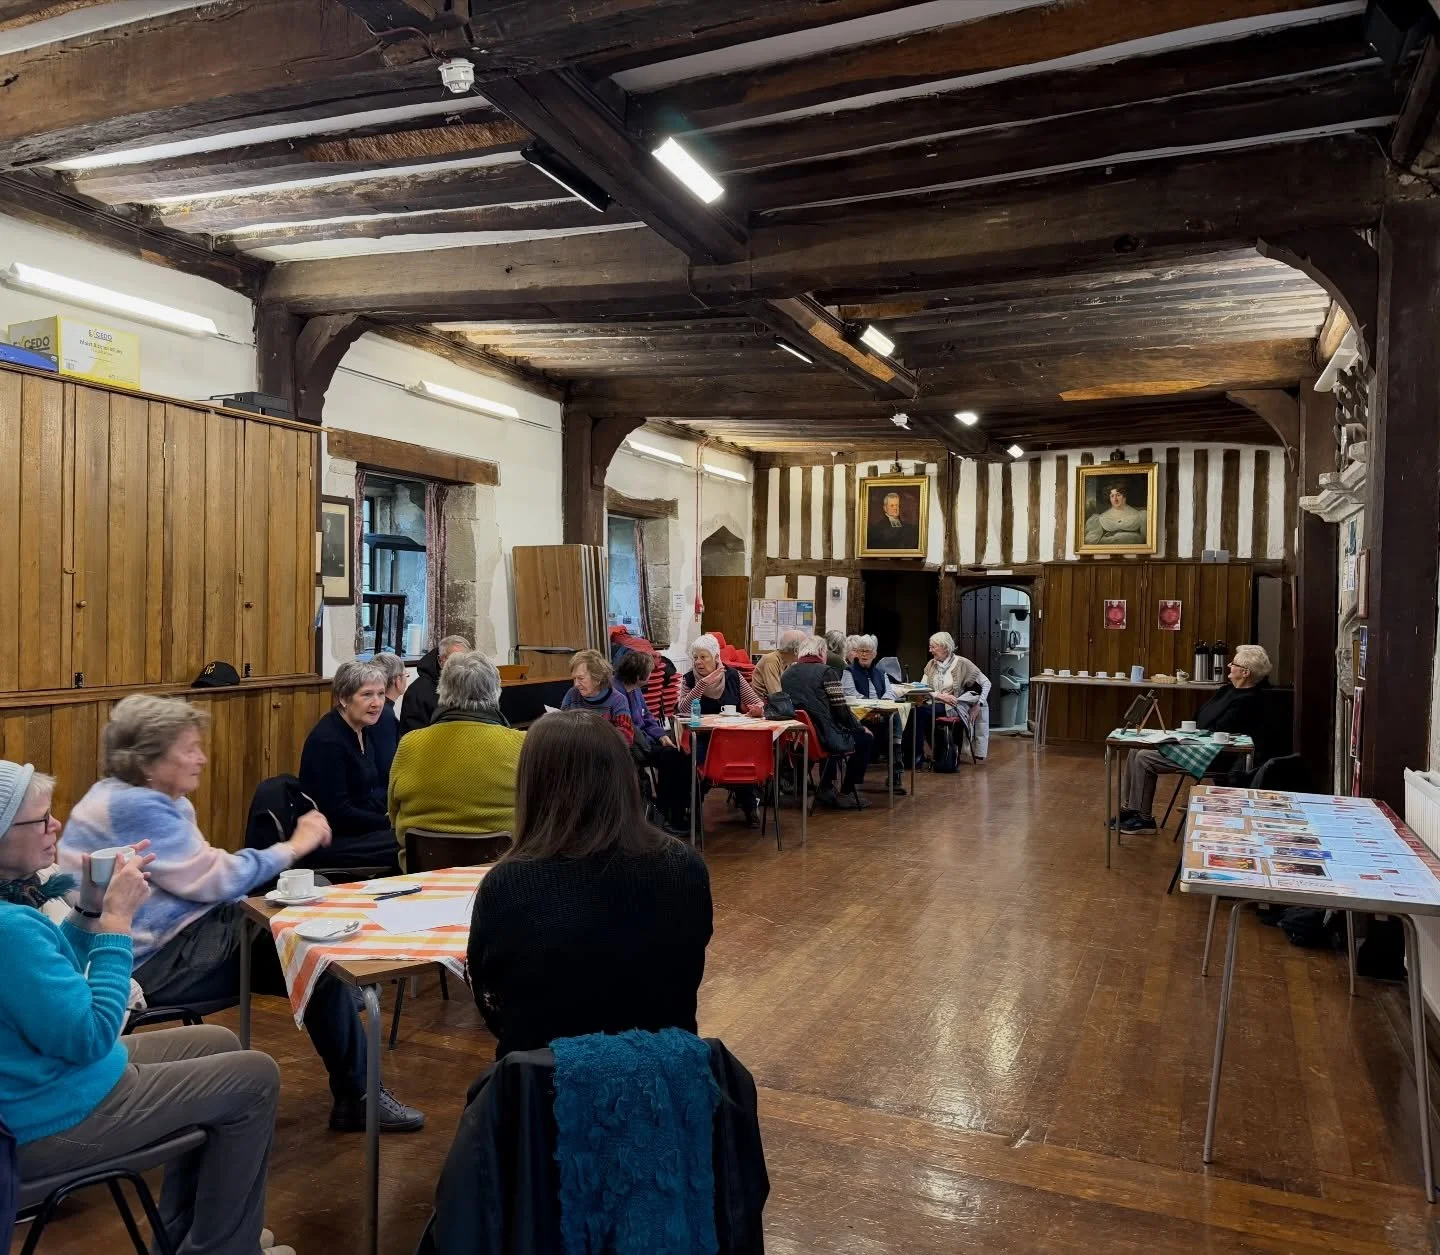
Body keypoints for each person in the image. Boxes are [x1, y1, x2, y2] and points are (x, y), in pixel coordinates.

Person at [60, 695, 425, 1135]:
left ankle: (346, 1028)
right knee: (312, 950)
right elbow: (218, 879)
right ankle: (360, 1092)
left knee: (308, 937)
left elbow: (205, 879)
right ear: (148, 761)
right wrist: (295, 844)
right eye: (189, 749)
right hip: (152, 962)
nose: (202, 758)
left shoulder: (136, 796)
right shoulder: (137, 805)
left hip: (177, 939)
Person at [1, 760, 298, 1255]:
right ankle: (223, 1247)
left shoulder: (14, 919)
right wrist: (118, 920)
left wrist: (91, 909)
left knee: (220, 1041)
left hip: (42, 1086)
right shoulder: (10, 930)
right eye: (42, 819)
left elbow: (53, 991)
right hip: (45, 1121)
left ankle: (189, 1234)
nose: (56, 826)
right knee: (256, 1077)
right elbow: (94, 1033)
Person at [466, 713, 713, 1059]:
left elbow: (491, 1001)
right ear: (624, 777)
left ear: (532, 786)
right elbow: (687, 974)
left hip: (544, 1087)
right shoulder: (684, 868)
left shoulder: (507, 886)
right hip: (665, 1080)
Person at [1119, 644, 1273, 834]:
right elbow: (1198, 717)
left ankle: (1144, 819)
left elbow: (1218, 729)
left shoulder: (1249, 700)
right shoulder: (1225, 690)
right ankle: (1129, 810)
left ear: (1245, 672)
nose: (1228, 666)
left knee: (1144, 757)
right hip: (1196, 743)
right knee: (1135, 749)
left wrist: (1190, 735)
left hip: (1214, 755)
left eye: (1233, 663)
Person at [389, 651, 525, 862]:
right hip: (503, 872)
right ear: (496, 692)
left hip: (425, 872)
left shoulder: (410, 744)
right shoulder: (521, 745)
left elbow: (393, 813)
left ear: (441, 690)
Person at [298, 661, 403, 871]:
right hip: (335, 839)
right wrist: (390, 822)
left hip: (362, 830)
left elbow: (374, 790)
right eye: (367, 695)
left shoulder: (363, 730)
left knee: (415, 833)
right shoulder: (328, 741)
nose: (377, 703)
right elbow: (338, 813)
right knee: (408, 842)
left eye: (381, 694)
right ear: (344, 698)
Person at [676, 635, 766, 828]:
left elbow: (756, 701)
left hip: (732, 739)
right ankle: (693, 812)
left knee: (742, 761)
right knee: (696, 767)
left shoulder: (733, 676)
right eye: (695, 658)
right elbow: (682, 709)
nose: (698, 662)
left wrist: (758, 709)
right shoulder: (690, 679)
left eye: (703, 657)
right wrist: (702, 684)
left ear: (716, 657)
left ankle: (749, 805)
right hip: (702, 737)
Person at [782, 635, 872, 809]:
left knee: (833, 730)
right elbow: (841, 709)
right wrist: (860, 728)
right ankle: (846, 792)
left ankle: (827, 786)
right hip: (826, 738)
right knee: (865, 740)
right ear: (822, 652)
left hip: (802, 738)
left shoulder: (788, 672)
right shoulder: (826, 672)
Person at [614, 650, 689, 835]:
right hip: (635, 745)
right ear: (640, 675)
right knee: (674, 760)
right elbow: (632, 728)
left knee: (682, 755)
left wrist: (661, 736)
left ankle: (677, 811)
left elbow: (647, 716)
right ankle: (669, 815)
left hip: (646, 740)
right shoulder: (618, 693)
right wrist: (654, 739)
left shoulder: (635, 690)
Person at [843, 634, 906, 795]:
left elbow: (889, 695)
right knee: (889, 724)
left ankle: (896, 772)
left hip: (880, 715)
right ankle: (895, 770)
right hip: (859, 717)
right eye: (861, 651)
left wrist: (881, 708)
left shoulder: (880, 673)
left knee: (895, 716)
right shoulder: (849, 672)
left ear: (875, 654)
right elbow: (852, 696)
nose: (864, 655)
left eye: (868, 651)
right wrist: (870, 710)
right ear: (856, 653)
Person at [921, 632, 992, 763]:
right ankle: (926, 754)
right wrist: (939, 696)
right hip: (935, 703)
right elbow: (922, 688)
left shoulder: (962, 663)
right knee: (917, 712)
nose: (930, 650)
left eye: (933, 647)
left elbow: (986, 683)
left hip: (953, 706)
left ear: (944, 647)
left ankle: (938, 753)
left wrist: (978, 705)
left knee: (921, 713)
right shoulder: (931, 664)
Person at [398, 634, 471, 737]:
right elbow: (412, 737)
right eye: (457, 661)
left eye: (466, 660)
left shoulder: (471, 684)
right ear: (441, 660)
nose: (464, 666)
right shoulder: (417, 692)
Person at [561, 649, 635, 745]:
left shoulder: (618, 700)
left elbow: (626, 736)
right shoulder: (572, 694)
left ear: (598, 678)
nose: (576, 684)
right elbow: (562, 726)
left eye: (581, 678)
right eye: (574, 678)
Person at [369, 651, 406, 781]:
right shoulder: (383, 713)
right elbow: (387, 763)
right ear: (398, 680)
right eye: (405, 675)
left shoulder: (381, 710)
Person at [1084, 480, 1148, 547]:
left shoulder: (1140, 515)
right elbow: (1091, 542)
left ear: (1124, 496)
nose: (1115, 499)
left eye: (1118, 495)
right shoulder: (1100, 518)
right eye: (1112, 496)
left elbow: (1146, 541)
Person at [752, 629, 805, 699]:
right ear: (796, 650)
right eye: (804, 647)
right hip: (764, 704)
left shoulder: (790, 662)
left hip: (777, 702)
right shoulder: (771, 660)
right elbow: (776, 694)